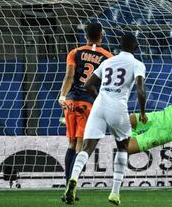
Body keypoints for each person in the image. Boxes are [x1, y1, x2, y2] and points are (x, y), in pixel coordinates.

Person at [63, 33, 147, 205]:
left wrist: (99, 98)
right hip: (118, 108)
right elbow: (140, 90)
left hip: (99, 105)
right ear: (135, 46)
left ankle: (73, 179)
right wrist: (143, 112)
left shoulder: (108, 62)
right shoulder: (138, 64)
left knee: (87, 147)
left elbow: (87, 84)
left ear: (120, 46)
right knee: (122, 147)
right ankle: (115, 193)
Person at [58, 22, 113, 196]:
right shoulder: (108, 57)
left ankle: (68, 183)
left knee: (72, 143)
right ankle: (72, 186)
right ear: (101, 35)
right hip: (88, 103)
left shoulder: (75, 52)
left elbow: (69, 76)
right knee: (81, 145)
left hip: (71, 101)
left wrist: (62, 96)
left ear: (86, 36)